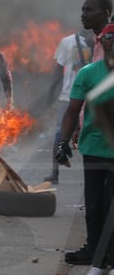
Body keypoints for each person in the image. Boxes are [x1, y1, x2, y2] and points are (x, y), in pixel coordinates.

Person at [56, 26, 114, 269]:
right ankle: (94, 252)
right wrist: (63, 142)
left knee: (110, 204)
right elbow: (72, 111)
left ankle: (109, 258)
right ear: (103, 42)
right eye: (109, 38)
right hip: (93, 148)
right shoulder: (88, 73)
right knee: (93, 205)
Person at [44, 28, 93, 184]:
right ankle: (54, 173)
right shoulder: (67, 42)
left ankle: (93, 176)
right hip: (69, 97)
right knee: (60, 135)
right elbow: (58, 69)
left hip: (91, 99)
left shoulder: (102, 41)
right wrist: (52, 93)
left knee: (91, 137)